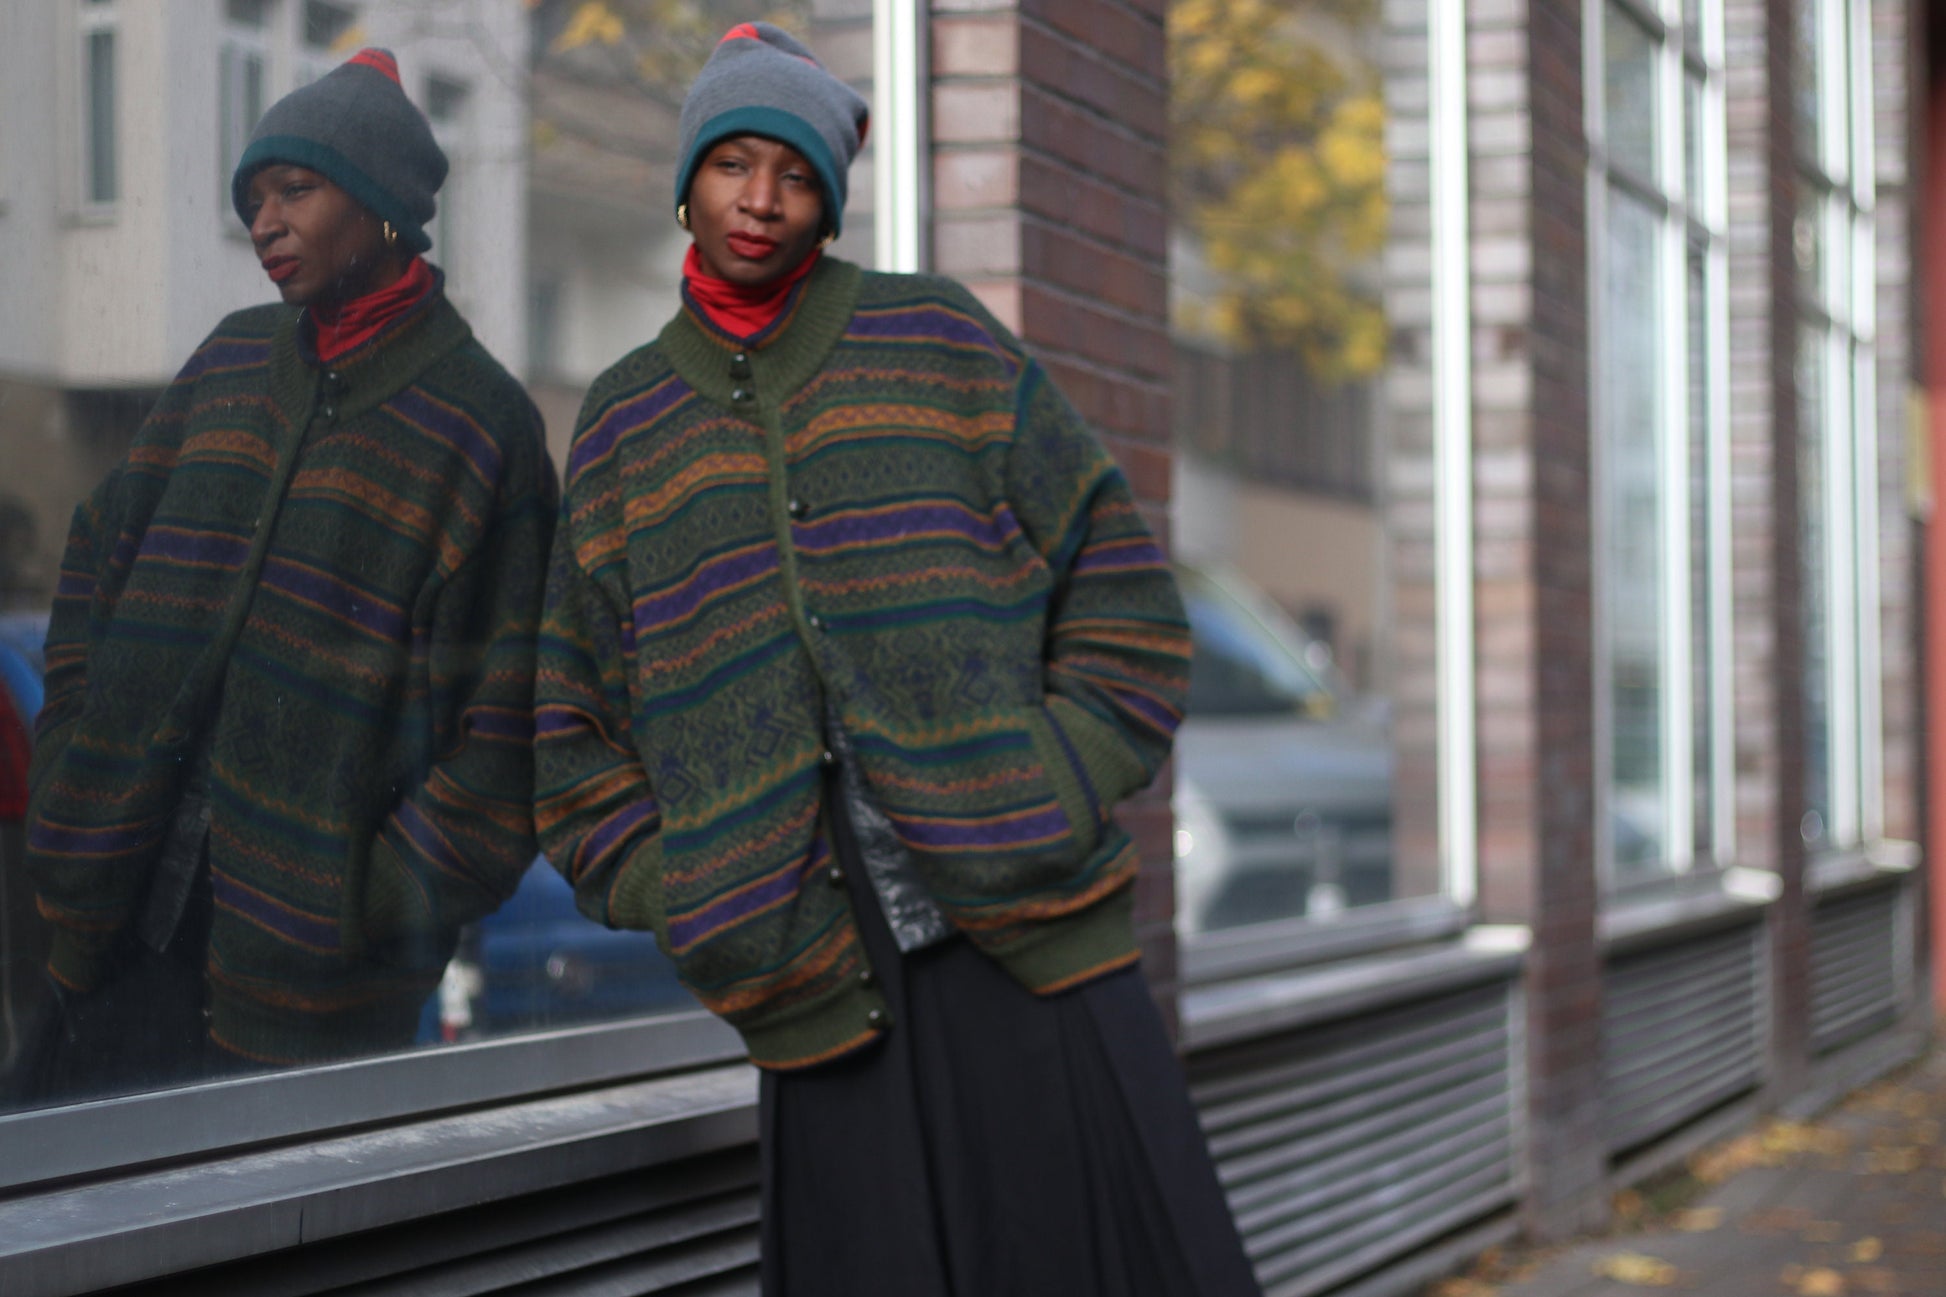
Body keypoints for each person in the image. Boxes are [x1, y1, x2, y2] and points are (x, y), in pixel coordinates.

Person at [534, 24, 1259, 1295]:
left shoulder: (933, 341)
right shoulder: (626, 423)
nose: (760, 202)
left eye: (795, 175)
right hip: (810, 976)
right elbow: (565, 729)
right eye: (732, 164)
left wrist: (1052, 777)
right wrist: (685, 884)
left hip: (1028, 938)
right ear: (687, 181)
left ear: (829, 197)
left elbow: (1126, 601)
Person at [18, 49, 555, 1099]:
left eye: (296, 190)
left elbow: (513, 729)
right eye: (252, 198)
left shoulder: (478, 426)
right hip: (116, 929)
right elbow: (94, 558)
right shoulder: (226, 362)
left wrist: (373, 902)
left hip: (314, 994)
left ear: (386, 206)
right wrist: (72, 768)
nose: (265, 221)